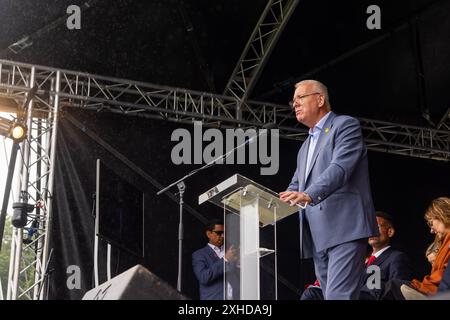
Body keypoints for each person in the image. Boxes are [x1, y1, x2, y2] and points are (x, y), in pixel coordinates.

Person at [279, 79, 378, 300]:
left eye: (300, 98)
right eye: (292, 101)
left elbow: (341, 167)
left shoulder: (344, 125)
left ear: (320, 99)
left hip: (345, 227)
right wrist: (272, 205)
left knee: (338, 297)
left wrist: (308, 194)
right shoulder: (305, 146)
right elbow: (296, 185)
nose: (294, 104)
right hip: (317, 236)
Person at [301, 211, 413, 300]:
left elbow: (400, 289)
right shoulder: (359, 259)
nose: (371, 230)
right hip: (347, 295)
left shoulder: (396, 257)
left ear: (390, 232)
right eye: (369, 226)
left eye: (377, 226)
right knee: (313, 291)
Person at [382, 197, 450, 300]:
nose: (431, 231)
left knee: (394, 286)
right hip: (436, 289)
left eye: (431, 223)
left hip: (440, 292)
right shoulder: (444, 242)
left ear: (442, 215)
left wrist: (422, 287)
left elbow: (444, 274)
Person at [192, 220, 237, 300]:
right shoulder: (199, 255)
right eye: (219, 233)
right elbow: (203, 277)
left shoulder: (230, 251)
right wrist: (225, 259)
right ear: (208, 234)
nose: (222, 236)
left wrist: (240, 262)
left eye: (224, 233)